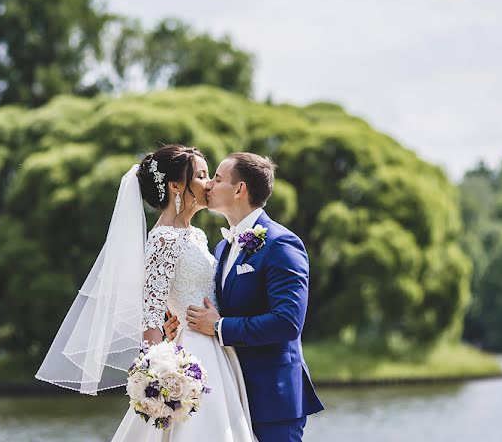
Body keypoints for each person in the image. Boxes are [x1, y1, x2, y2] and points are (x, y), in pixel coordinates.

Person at [37, 144, 256, 441]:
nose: (210, 184)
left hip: (216, 347)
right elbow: (150, 314)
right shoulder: (163, 239)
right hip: (190, 352)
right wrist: (162, 376)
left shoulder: (197, 235)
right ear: (176, 186)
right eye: (202, 175)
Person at [168, 152, 324, 442]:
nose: (209, 186)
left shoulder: (282, 244)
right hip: (227, 394)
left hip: (273, 397)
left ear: (240, 189)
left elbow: (287, 322)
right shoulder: (221, 248)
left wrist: (218, 327)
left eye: (217, 178)